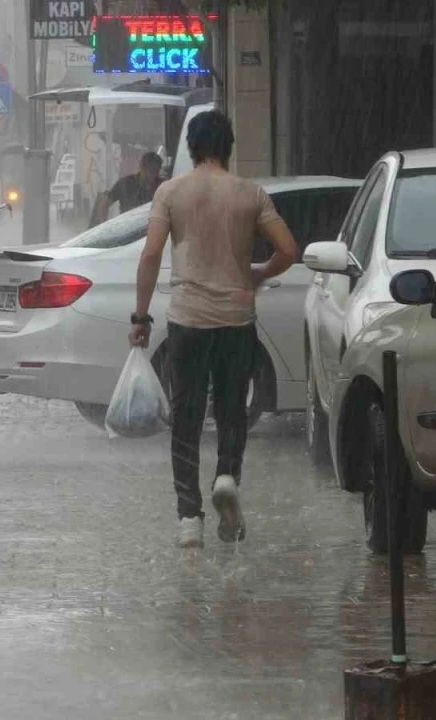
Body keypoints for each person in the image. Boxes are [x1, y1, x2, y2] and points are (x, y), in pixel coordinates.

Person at [128, 110, 298, 549]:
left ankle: (189, 518)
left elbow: (150, 255)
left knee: (186, 417)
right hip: (236, 321)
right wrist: (258, 273)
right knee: (231, 411)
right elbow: (288, 249)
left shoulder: (170, 192)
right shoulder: (250, 193)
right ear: (228, 147)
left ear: (191, 147)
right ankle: (226, 477)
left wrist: (141, 317)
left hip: (187, 320)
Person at [90, 151, 163, 226]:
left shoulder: (162, 185)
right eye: (151, 172)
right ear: (142, 168)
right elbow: (105, 203)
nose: (153, 177)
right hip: (127, 226)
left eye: (156, 172)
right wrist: (105, 224)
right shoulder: (125, 183)